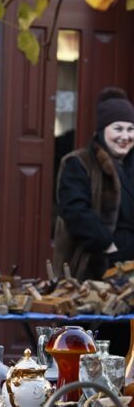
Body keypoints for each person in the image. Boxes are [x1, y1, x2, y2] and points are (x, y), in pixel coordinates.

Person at [54, 87, 134, 281]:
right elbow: (75, 211)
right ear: (102, 130)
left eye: (131, 129)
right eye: (118, 128)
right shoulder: (79, 163)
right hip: (95, 267)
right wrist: (108, 246)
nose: (125, 136)